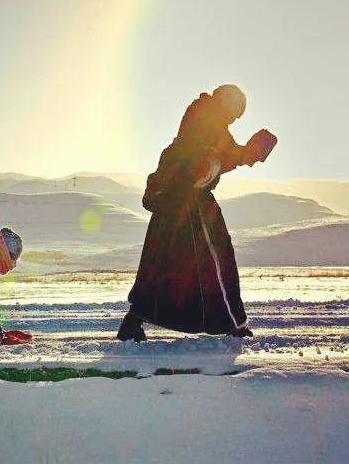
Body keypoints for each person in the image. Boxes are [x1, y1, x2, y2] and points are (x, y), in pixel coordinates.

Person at [117, 84, 277, 342]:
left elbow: (219, 157)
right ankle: (234, 323)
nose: (236, 117)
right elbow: (211, 157)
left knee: (164, 265)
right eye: (237, 110)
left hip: (174, 207)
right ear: (229, 102)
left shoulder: (203, 120)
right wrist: (245, 154)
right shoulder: (207, 118)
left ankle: (134, 321)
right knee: (217, 256)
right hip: (190, 206)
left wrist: (245, 155)